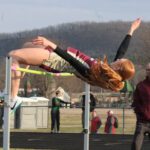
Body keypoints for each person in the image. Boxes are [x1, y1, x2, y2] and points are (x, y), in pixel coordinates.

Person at [8, 18, 141, 110]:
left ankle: (13, 99)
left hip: (56, 61)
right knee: (27, 45)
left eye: (120, 61)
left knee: (13, 56)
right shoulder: (106, 69)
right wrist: (131, 30)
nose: (118, 59)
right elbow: (121, 50)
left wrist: (51, 44)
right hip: (57, 56)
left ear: (118, 67)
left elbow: (73, 61)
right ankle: (15, 81)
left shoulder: (94, 72)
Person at [131, 63, 150, 150]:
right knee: (136, 145)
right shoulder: (141, 86)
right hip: (142, 122)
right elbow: (135, 103)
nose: (149, 71)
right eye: (148, 70)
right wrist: (141, 113)